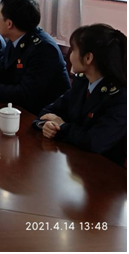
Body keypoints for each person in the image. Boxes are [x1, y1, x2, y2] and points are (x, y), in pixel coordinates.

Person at [33, 24, 127, 166]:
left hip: (103, 171)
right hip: (74, 161)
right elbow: (48, 111)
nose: (70, 56)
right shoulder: (82, 82)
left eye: (74, 50)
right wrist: (47, 125)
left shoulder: (120, 97)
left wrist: (62, 127)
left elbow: (94, 142)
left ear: (88, 58)